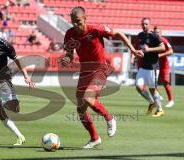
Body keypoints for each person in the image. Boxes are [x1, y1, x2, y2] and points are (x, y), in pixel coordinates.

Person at [61, 6, 143, 149]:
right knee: (80, 109)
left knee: (89, 98)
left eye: (78, 21)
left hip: (100, 68)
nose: (75, 24)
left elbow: (118, 33)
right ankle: (94, 138)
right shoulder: (70, 34)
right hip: (85, 71)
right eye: (73, 21)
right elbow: (69, 53)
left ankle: (110, 118)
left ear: (85, 18)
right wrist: (67, 59)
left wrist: (132, 49)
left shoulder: (96, 29)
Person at [135, 18, 165, 117]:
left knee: (152, 89)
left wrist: (149, 49)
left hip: (153, 67)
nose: (144, 26)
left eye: (146, 24)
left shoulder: (154, 35)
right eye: (143, 24)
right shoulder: (140, 35)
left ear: (149, 25)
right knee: (138, 86)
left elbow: (162, 48)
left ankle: (160, 110)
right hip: (143, 67)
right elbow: (140, 48)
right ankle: (151, 102)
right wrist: (138, 52)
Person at [154, 26, 174, 107]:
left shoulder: (164, 41)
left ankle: (171, 100)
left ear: (161, 33)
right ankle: (159, 96)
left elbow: (171, 51)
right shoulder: (152, 41)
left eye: (158, 32)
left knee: (165, 82)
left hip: (163, 66)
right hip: (154, 65)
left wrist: (160, 55)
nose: (156, 34)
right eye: (155, 32)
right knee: (152, 83)